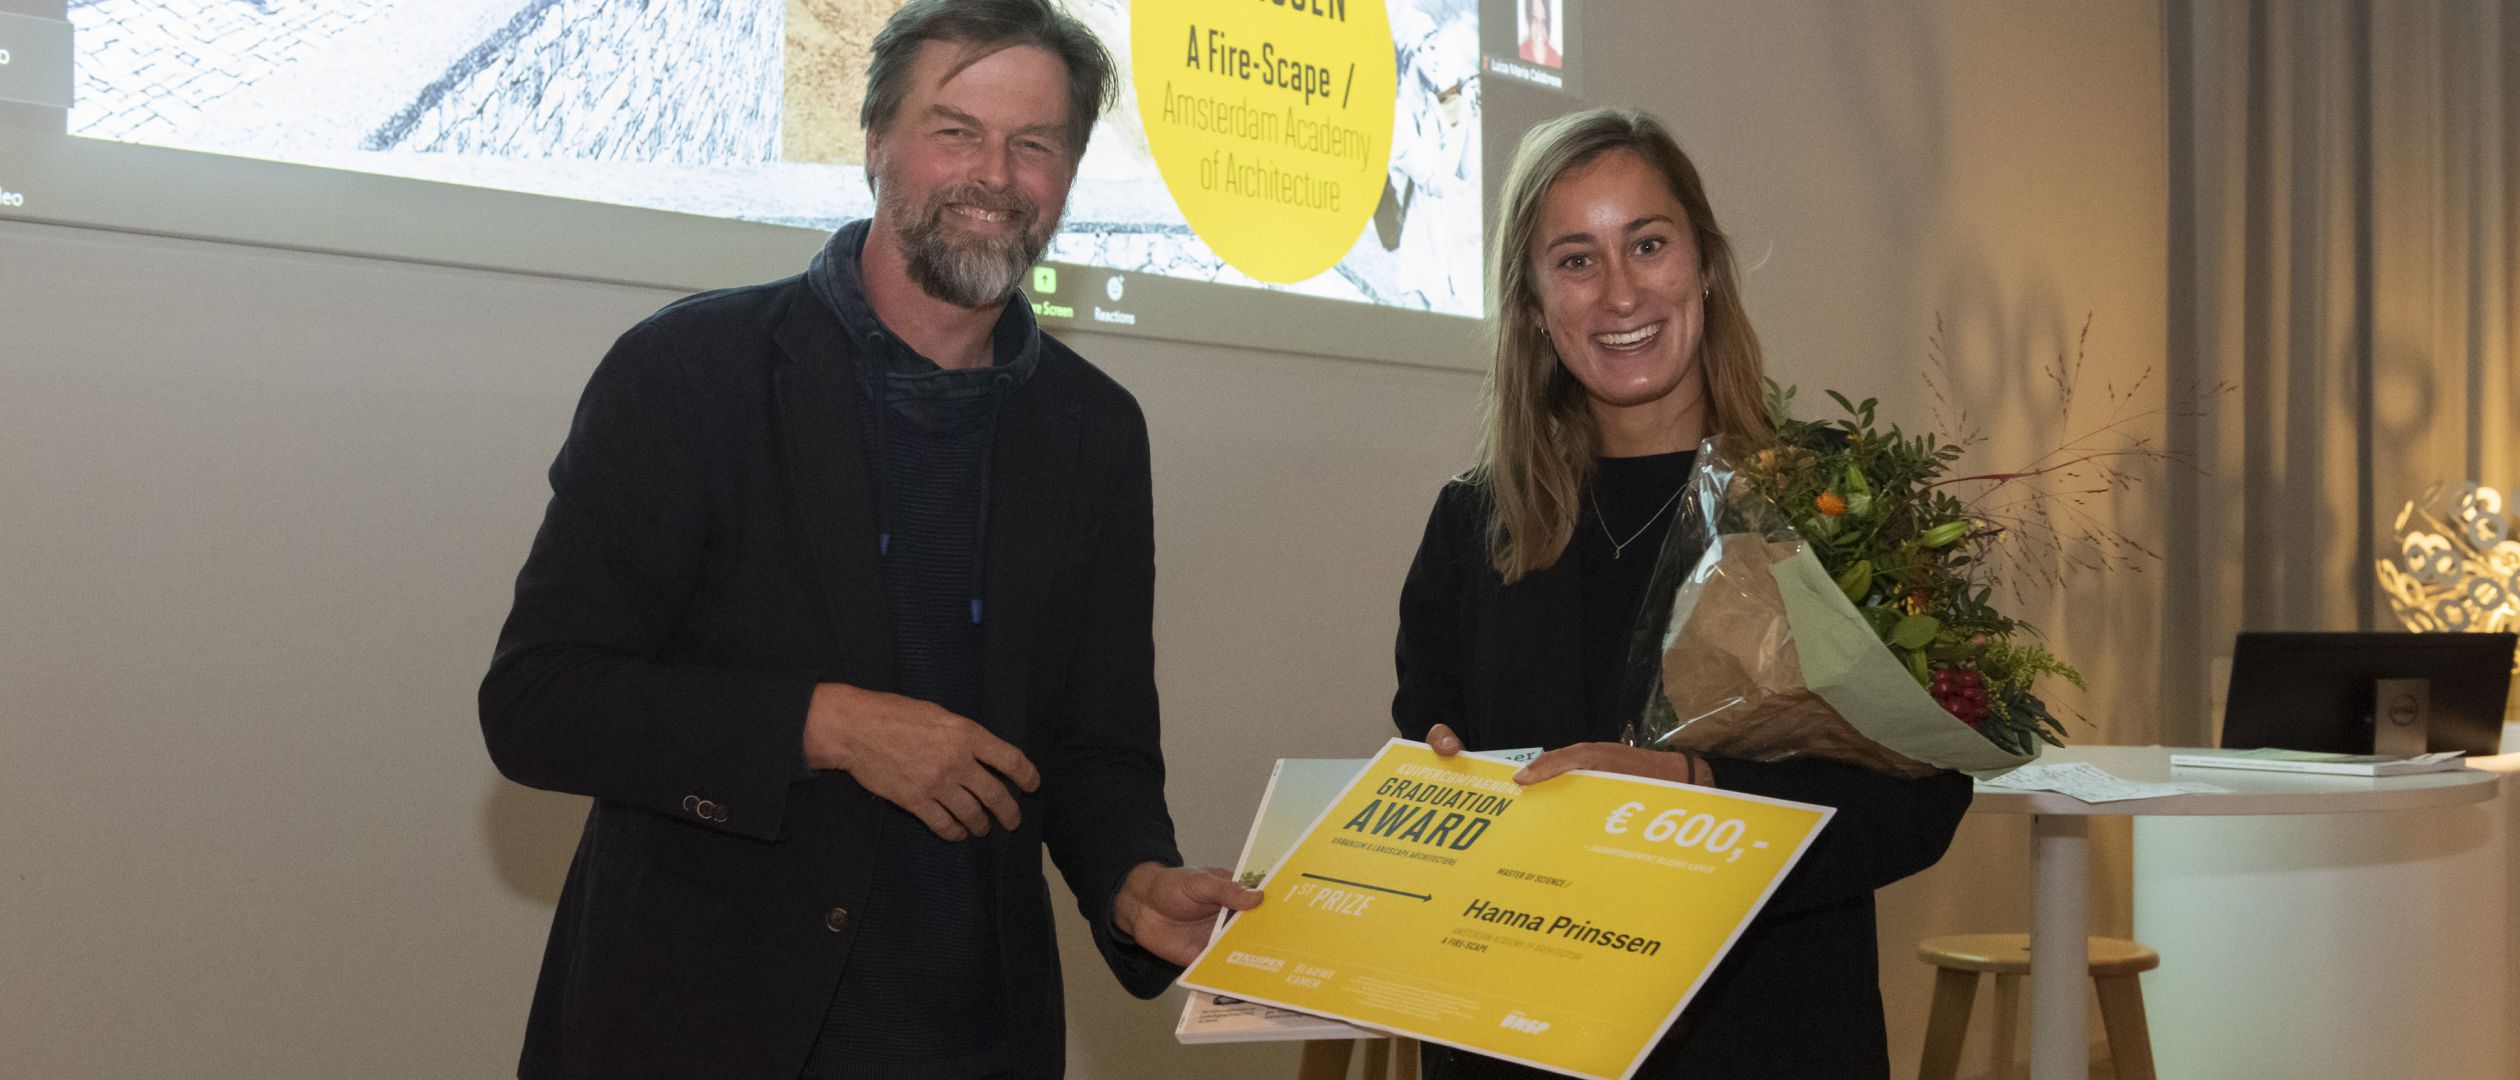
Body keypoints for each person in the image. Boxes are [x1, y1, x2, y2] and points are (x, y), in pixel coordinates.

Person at [477, 3, 1257, 1078]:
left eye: (1034, 145)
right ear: (875, 141)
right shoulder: (690, 372)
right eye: (955, 131)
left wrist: (1133, 881)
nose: (994, 175)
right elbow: (538, 705)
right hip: (700, 1033)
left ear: (1069, 174)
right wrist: (824, 726)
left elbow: (1093, 745)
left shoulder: (1096, 430)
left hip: (972, 1044)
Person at [1390, 107, 1972, 1080]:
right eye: (1576, 259)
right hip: (1521, 1043)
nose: (1620, 292)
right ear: (1532, 305)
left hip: (1766, 1039)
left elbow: (1922, 799)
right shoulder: (1472, 523)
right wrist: (1443, 780)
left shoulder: (1832, 500)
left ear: (1705, 265)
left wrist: (1700, 791)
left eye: (1648, 244)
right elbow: (1431, 743)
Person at [1517, 0, 1562, 68]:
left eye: (1544, 20)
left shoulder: (1557, 59)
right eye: (1534, 19)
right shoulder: (1519, 52)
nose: (1539, 28)